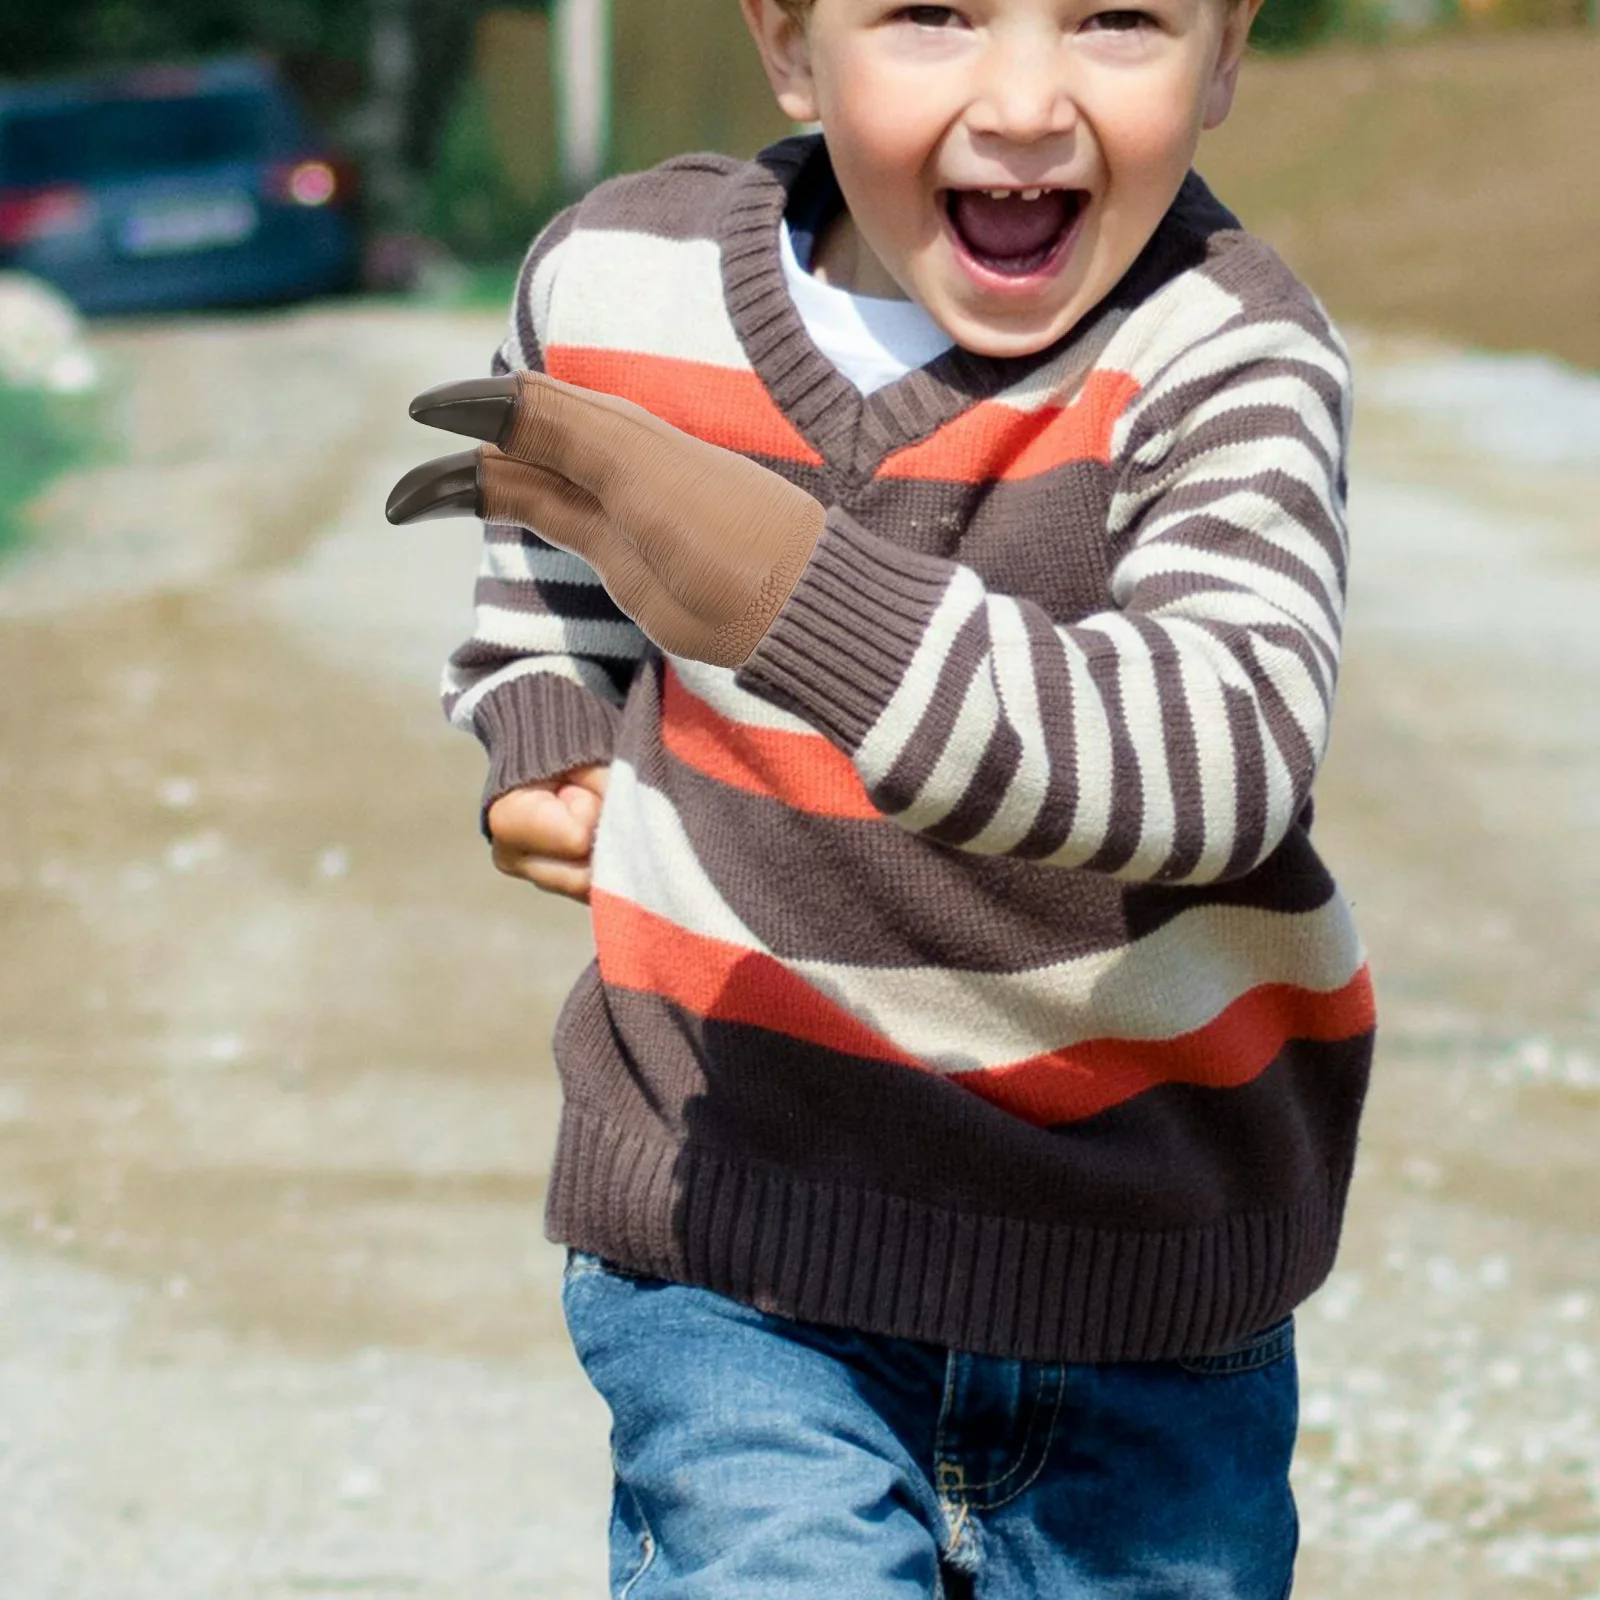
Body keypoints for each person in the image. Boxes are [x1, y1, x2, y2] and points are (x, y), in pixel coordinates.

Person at [388, 0, 1377, 1593]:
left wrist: (788, 589)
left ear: (1227, 53)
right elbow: (549, 498)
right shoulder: (619, 278)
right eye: (932, 16)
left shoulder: (1226, 353)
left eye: (1119, 20)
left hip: (1138, 1271)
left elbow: (1223, 762)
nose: (1026, 101)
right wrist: (547, 712)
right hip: (740, 1229)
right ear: (790, 43)